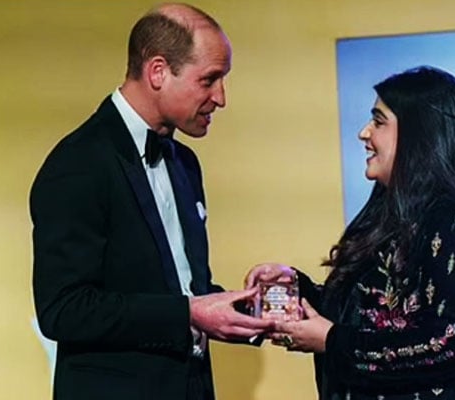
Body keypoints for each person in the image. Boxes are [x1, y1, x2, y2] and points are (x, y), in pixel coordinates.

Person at [30, 4, 273, 400]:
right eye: (209, 79)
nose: (221, 98)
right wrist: (189, 314)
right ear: (158, 71)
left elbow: (179, 286)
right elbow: (64, 309)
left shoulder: (184, 163)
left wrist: (254, 306)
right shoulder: (78, 164)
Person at [246, 66, 455, 400]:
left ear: (420, 134)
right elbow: (373, 316)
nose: (363, 133)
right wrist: (298, 290)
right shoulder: (386, 214)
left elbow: (447, 340)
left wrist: (332, 341)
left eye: (378, 121)